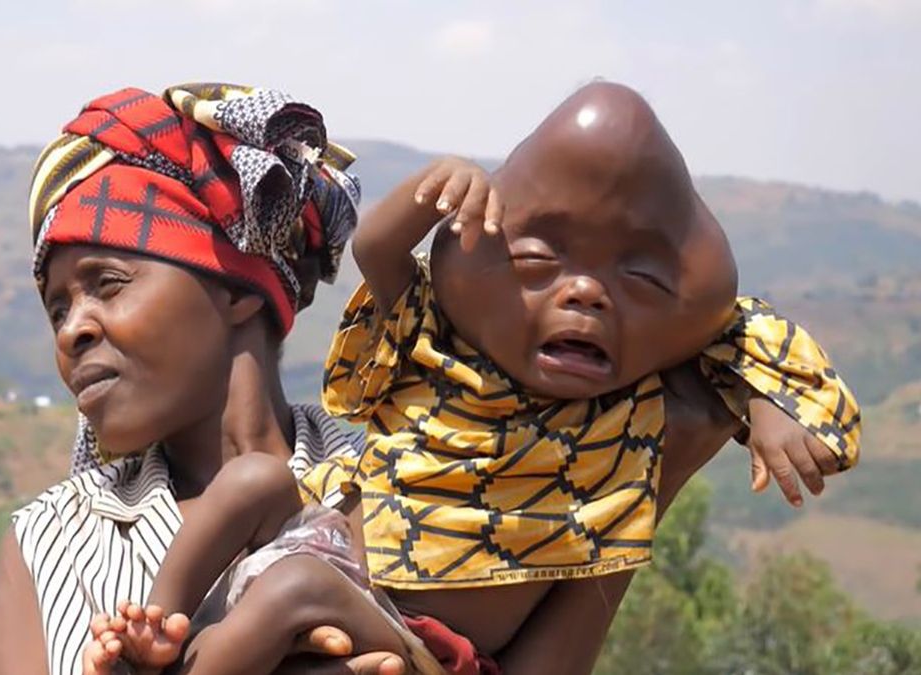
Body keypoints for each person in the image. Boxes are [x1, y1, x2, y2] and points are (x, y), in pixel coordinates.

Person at [85, 81, 860, 675]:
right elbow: (380, 255)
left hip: (410, 632)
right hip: (324, 529)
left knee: (291, 589)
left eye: (638, 279)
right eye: (536, 262)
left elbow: (737, 337)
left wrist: (765, 407)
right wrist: (434, 188)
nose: (585, 292)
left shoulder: (629, 410)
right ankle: (158, 626)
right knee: (252, 480)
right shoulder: (441, 340)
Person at [0, 83, 409, 675]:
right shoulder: (51, 543)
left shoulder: (399, 485)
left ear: (235, 288)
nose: (71, 331)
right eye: (57, 309)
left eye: (108, 284)